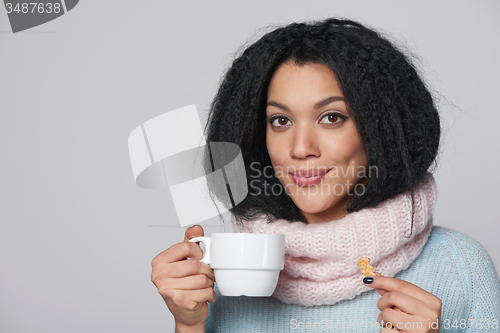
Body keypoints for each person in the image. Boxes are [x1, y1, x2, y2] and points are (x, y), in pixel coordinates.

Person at [151, 18, 500, 332]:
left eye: (331, 117)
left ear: (380, 130)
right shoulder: (227, 274)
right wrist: (189, 325)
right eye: (281, 121)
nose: (301, 148)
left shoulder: (459, 266)